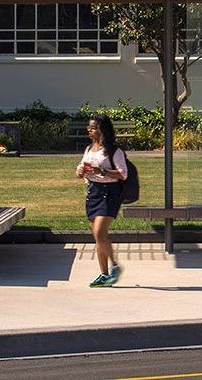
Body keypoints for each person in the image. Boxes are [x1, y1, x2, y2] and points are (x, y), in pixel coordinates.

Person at [76, 114, 128, 287]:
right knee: (99, 237)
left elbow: (122, 174)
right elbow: (82, 169)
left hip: (109, 193)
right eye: (88, 127)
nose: (89, 130)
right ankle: (104, 275)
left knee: (99, 233)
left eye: (92, 127)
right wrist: (81, 171)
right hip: (93, 193)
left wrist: (102, 171)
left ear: (101, 130)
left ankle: (114, 267)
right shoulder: (89, 149)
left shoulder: (114, 151)